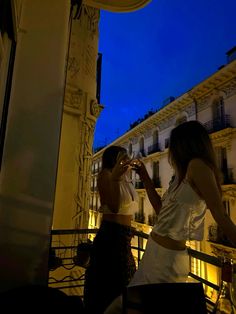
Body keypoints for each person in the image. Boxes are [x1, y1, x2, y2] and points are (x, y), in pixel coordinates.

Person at [104, 120, 236, 313]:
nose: (170, 151)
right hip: (154, 255)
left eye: (173, 145)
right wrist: (145, 177)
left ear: (184, 145)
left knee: (123, 308)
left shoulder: (197, 166)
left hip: (167, 261)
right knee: (126, 306)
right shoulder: (180, 176)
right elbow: (160, 209)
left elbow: (220, 214)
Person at [83, 145, 139, 314]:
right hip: (111, 234)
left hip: (124, 236)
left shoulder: (126, 178)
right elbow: (114, 206)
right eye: (122, 157)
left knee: (124, 280)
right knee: (113, 282)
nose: (126, 161)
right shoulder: (105, 175)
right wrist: (115, 178)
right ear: (113, 159)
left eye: (126, 157)